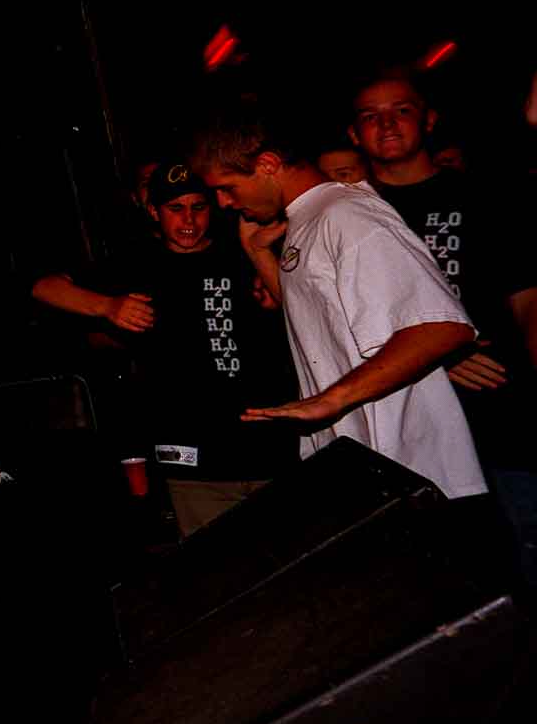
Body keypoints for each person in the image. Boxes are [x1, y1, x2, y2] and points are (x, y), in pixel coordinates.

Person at [190, 100, 485, 502]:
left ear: (268, 164)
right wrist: (259, 254)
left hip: (410, 474)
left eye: (228, 187)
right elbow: (318, 320)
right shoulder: (306, 220)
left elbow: (442, 326)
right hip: (361, 469)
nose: (223, 203)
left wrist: (330, 400)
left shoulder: (347, 216)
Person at [31, 163, 299, 537]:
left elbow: (302, 308)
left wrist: (270, 286)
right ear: (154, 211)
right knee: (217, 574)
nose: (189, 220)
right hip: (194, 459)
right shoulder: (136, 262)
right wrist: (107, 306)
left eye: (198, 207)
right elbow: (45, 287)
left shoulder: (243, 250)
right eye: (176, 209)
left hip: (272, 446)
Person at [349, 70, 537, 587]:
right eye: (370, 115)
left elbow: (527, 301)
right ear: (353, 133)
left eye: (401, 110)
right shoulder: (347, 217)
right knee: (437, 581)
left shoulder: (488, 196)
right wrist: (432, 357)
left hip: (501, 414)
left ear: (428, 120)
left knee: (523, 561)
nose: (386, 124)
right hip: (404, 428)